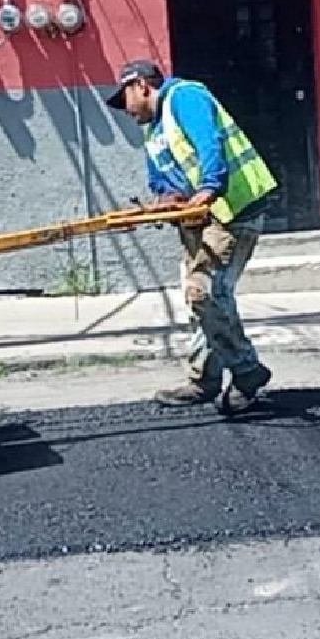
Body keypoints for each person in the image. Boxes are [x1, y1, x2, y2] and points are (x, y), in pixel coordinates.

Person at [106, 59, 279, 414]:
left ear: (141, 85)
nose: (125, 110)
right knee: (201, 299)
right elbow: (163, 182)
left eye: (124, 98)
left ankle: (247, 370)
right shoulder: (153, 129)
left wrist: (209, 187)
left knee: (205, 292)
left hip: (231, 211)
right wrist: (161, 203)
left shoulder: (185, 96)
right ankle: (204, 380)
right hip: (199, 220)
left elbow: (209, 143)